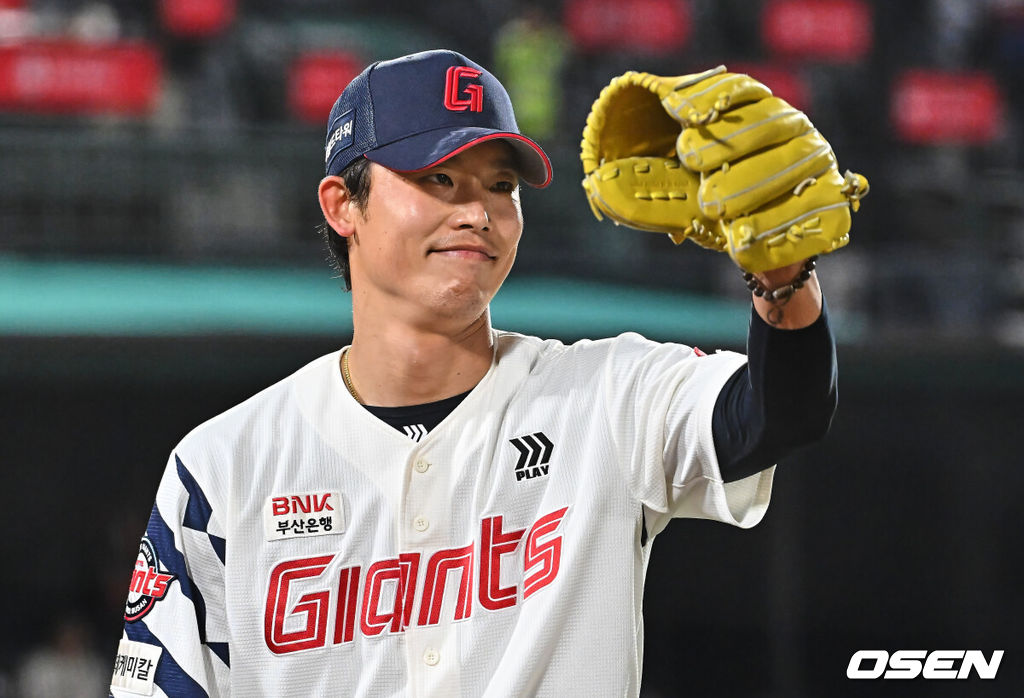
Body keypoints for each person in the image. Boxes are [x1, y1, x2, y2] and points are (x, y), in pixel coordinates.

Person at [110, 49, 837, 697]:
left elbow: (781, 413)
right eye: (439, 178)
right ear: (343, 205)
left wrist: (782, 278)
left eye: (500, 186)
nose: (478, 213)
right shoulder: (224, 468)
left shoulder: (608, 396)